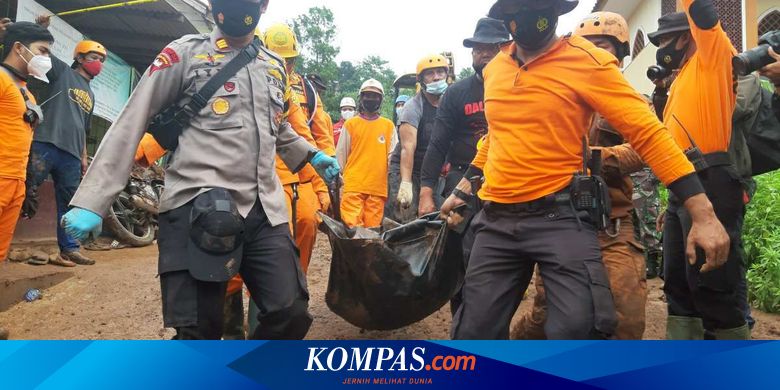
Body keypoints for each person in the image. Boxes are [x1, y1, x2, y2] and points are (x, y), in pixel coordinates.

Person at [440, 0, 729, 340]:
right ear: (507, 16)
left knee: (580, 326)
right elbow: (496, 134)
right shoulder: (496, 69)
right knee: (474, 330)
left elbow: (649, 134)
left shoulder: (586, 61)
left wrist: (703, 212)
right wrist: (463, 187)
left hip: (560, 216)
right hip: (496, 220)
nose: (530, 15)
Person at [61, 0, 340, 340]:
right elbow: (132, 119)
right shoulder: (183, 54)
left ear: (264, 5)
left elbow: (276, 126)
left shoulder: (274, 66)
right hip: (197, 204)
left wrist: (311, 154)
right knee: (199, 331)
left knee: (291, 313)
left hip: (264, 208)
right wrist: (93, 201)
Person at [513, 11, 649, 340]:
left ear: (620, 53)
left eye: (602, 46)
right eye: (586, 46)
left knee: (624, 314)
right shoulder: (551, 98)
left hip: (612, 225)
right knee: (547, 314)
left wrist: (596, 158)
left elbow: (647, 147)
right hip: (558, 221)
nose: (593, 53)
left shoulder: (632, 102)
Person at [648, 2, 749, 339]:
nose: (661, 50)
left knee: (713, 284)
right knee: (678, 285)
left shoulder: (713, 55)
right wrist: (671, 201)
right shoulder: (681, 79)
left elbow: (699, 9)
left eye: (663, 41)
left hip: (712, 179)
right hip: (684, 187)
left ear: (685, 37)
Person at [23, 15, 106, 267]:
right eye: (94, 58)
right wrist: (40, 29)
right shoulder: (62, 73)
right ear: (80, 58)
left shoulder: (91, 94)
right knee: (22, 191)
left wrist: (82, 158)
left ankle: (69, 249)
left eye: (102, 60)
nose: (98, 64)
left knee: (69, 205)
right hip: (46, 143)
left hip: (71, 155)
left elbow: (83, 129)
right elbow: (38, 54)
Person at [263, 23, 335, 273]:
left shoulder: (306, 91)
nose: (284, 66)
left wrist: (323, 186)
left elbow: (316, 137)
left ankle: (296, 285)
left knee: (307, 221)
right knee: (273, 233)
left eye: (290, 60)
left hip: (302, 173)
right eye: (278, 59)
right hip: (262, 174)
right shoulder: (250, 81)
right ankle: (261, 299)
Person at [419, 17, 509, 216]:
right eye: (478, 49)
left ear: (507, 49)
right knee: (458, 240)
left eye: (491, 47)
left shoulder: (519, 87)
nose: (484, 54)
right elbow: (438, 144)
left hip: (508, 177)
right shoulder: (456, 93)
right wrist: (426, 193)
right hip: (462, 175)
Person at [0, 20, 52, 341]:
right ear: (19, 49)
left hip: (15, 182)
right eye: (42, 51)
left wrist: (29, 184)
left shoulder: (26, 91)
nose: (45, 58)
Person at [386, 54, 449, 223]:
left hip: (432, 172)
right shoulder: (413, 107)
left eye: (440, 72)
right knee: (405, 218)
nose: (436, 77)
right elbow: (408, 148)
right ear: (421, 79)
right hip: (407, 169)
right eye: (430, 73)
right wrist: (405, 184)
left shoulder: (450, 104)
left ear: (446, 75)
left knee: (434, 216)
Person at [336, 79, 397, 228]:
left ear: (381, 100)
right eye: (367, 95)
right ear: (361, 98)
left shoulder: (388, 126)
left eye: (375, 96)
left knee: (372, 234)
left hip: (377, 189)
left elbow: (393, 157)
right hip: (353, 186)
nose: (371, 99)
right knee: (353, 231)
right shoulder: (350, 125)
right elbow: (341, 157)